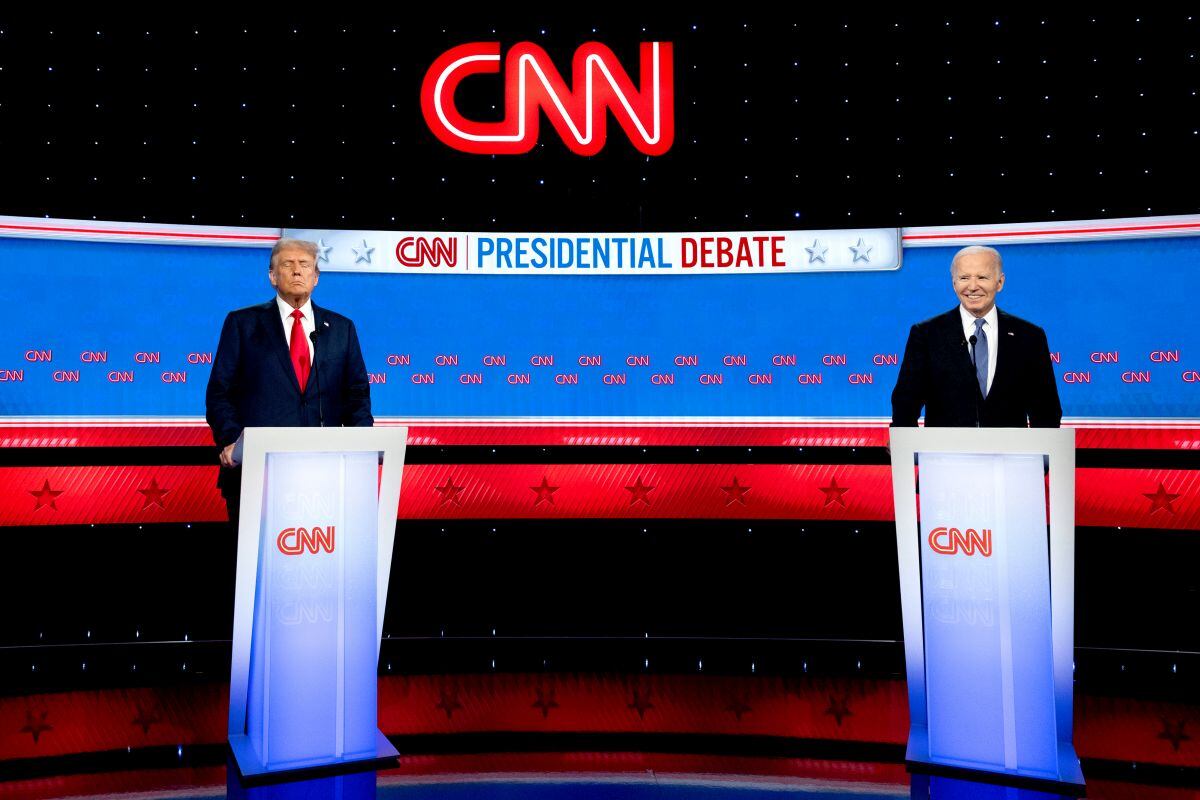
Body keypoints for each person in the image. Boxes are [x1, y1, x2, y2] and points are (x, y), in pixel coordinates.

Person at [205, 238, 373, 521]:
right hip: (257, 471)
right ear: (272, 276)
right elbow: (219, 393)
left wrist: (362, 449)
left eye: (305, 265)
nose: (297, 271)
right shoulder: (242, 324)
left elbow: (357, 395)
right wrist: (234, 442)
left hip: (325, 474)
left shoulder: (341, 328)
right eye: (288, 264)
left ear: (316, 277)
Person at [890, 245, 1061, 428]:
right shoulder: (926, 334)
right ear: (954, 283)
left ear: (1000, 282)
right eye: (964, 278)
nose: (972, 287)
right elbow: (905, 405)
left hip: (1011, 446)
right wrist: (905, 440)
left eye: (982, 277)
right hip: (945, 446)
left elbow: (1046, 410)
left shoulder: (1030, 336)